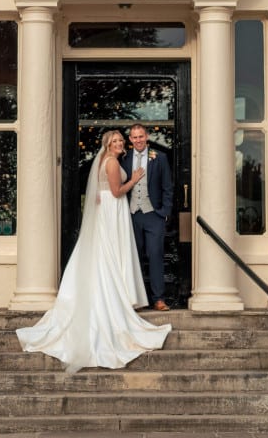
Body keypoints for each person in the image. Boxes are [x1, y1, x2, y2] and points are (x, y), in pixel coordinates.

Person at [16, 130, 172, 373]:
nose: (121, 143)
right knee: (110, 256)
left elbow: (109, 190)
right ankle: (117, 298)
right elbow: (118, 190)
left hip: (116, 210)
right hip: (115, 209)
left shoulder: (111, 160)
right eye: (117, 141)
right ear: (108, 145)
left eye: (122, 140)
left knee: (112, 255)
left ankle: (137, 296)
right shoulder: (112, 162)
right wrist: (135, 178)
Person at [120, 124, 173, 310]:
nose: (138, 140)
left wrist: (164, 213)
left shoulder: (160, 158)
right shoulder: (124, 158)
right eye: (134, 137)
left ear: (147, 136)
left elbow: (167, 187)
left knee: (155, 255)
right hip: (132, 215)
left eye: (141, 136)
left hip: (153, 215)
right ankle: (137, 300)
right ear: (130, 140)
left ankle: (158, 299)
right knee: (134, 258)